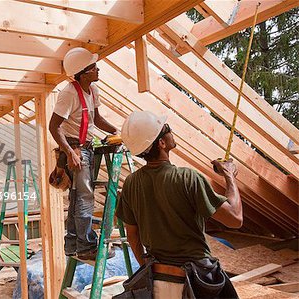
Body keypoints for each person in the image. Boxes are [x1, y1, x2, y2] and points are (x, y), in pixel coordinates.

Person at [115, 111, 241, 298]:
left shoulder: (131, 182)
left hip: (157, 276)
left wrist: (146, 268)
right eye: (167, 129)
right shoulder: (188, 178)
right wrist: (230, 176)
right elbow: (235, 219)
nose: (171, 131)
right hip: (195, 278)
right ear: (161, 143)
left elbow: (132, 234)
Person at [49, 47, 118, 260]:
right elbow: (54, 126)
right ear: (83, 72)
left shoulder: (93, 91)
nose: (98, 70)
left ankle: (72, 245)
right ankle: (87, 247)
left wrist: (116, 131)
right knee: (85, 197)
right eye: (93, 67)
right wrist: (70, 153)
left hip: (85, 146)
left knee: (78, 197)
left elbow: (96, 119)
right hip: (74, 148)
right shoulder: (68, 93)